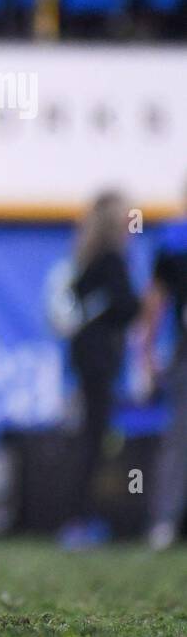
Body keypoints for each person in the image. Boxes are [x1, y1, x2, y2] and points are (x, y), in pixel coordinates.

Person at [50, 192, 140, 549]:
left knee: (90, 437)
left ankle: (78, 517)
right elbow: (127, 306)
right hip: (99, 363)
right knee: (94, 438)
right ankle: (79, 518)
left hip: (87, 360)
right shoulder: (112, 261)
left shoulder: (86, 262)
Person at [139, 182, 187, 550]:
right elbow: (156, 300)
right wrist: (147, 352)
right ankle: (164, 521)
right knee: (178, 439)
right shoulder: (174, 239)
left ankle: (165, 523)